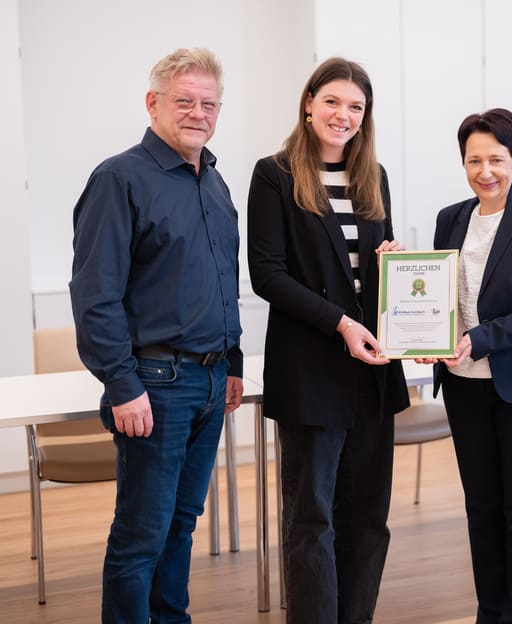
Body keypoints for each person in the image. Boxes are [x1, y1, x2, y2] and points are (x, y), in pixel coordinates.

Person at [69, 48, 243, 623]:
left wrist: (234, 360)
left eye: (208, 103)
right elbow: (95, 296)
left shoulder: (214, 184)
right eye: (185, 101)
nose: (198, 112)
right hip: (155, 382)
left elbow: (223, 281)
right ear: (154, 104)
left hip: (212, 381)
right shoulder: (119, 178)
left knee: (182, 523)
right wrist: (121, 384)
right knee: (142, 532)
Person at [247, 57, 409, 624]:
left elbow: (372, 273)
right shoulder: (275, 175)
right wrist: (341, 324)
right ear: (309, 103)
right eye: (333, 102)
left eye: (356, 107)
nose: (344, 115)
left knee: (367, 516)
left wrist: (390, 263)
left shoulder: (374, 176)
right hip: (310, 369)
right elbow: (267, 274)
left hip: (371, 369)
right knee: (311, 517)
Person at [419, 108, 512, 623]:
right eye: (474, 160)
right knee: (482, 510)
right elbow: (442, 298)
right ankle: (493, 615)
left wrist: (481, 338)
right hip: (465, 386)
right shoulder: (451, 218)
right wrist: (426, 335)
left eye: (497, 160)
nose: (485, 171)